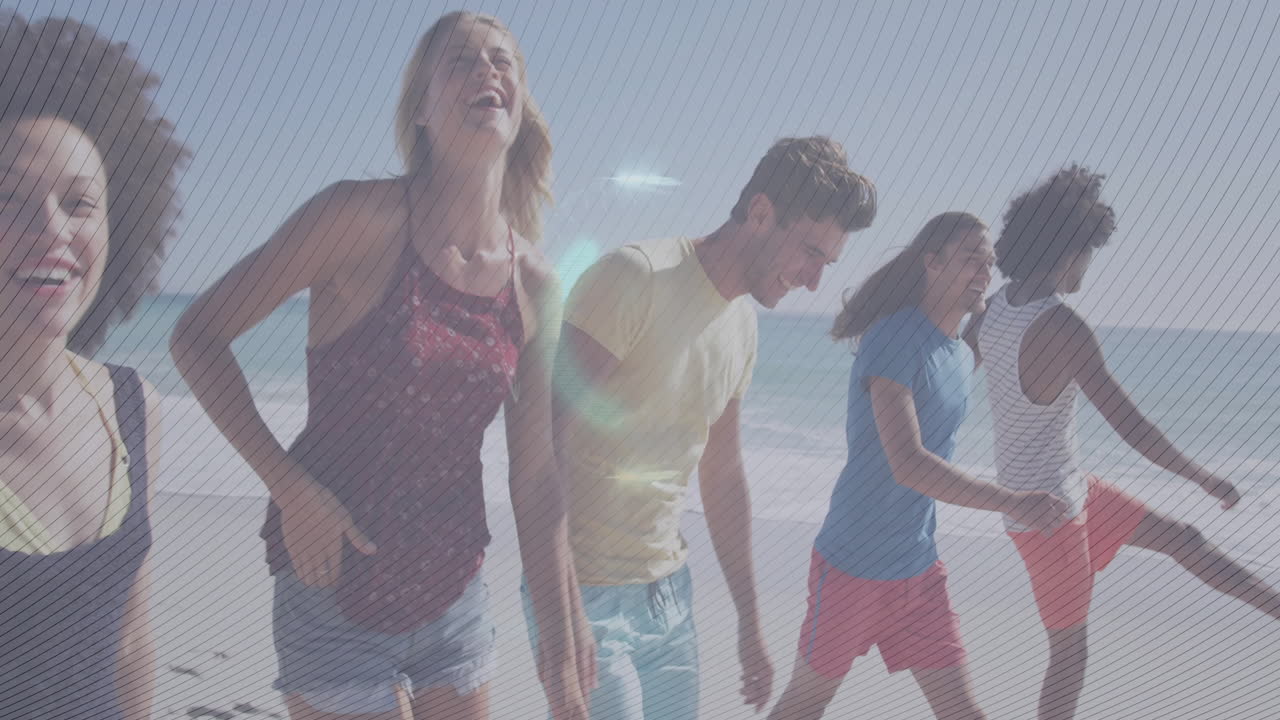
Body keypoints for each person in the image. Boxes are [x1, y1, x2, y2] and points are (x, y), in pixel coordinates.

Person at [171, 12, 591, 720]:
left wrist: (559, 644)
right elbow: (196, 334)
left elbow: (536, 474)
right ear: (421, 109)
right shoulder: (357, 218)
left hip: (456, 597)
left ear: (520, 107)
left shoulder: (538, 286)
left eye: (501, 60)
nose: (487, 71)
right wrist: (290, 487)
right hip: (332, 587)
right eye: (460, 61)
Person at [547, 136, 877, 719]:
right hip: (587, 589)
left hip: (670, 594)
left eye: (827, 264)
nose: (813, 280)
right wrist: (563, 607)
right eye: (810, 253)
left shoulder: (742, 325)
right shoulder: (634, 276)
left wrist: (749, 621)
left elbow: (722, 475)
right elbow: (545, 446)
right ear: (759, 212)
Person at [969, 164, 1280, 720]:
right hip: (1049, 515)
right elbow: (1131, 426)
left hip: (1071, 490)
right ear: (1069, 250)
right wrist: (1203, 477)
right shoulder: (1064, 328)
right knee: (1069, 654)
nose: (1089, 265)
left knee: (1185, 539)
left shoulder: (991, 309)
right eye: (1089, 250)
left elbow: (955, 365)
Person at [768, 212, 1069, 720]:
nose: (985, 270)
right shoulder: (893, 336)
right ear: (932, 262)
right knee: (804, 706)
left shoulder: (955, 351)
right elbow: (907, 463)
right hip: (853, 566)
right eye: (973, 258)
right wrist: (1013, 502)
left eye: (989, 261)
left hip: (918, 570)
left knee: (964, 712)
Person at [0, 12, 189, 719]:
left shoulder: (135, 407)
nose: (53, 233)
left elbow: (131, 641)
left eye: (79, 203)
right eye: (9, 199)